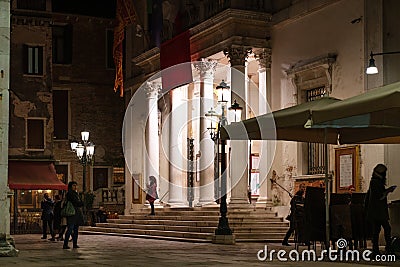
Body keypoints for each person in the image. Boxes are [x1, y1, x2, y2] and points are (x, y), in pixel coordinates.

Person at [365, 164, 397, 255]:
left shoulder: (375, 181)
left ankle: (377, 249)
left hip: (377, 211)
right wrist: (388, 191)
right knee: (385, 228)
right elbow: (380, 196)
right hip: (378, 211)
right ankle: (387, 247)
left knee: (377, 230)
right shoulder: (375, 182)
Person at [63, 181, 84, 249]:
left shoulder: (75, 193)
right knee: (70, 229)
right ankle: (65, 244)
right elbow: (76, 202)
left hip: (76, 213)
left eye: (76, 185)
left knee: (75, 229)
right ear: (70, 186)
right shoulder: (70, 193)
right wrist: (81, 203)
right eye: (74, 185)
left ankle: (75, 244)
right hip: (72, 213)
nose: (75, 187)